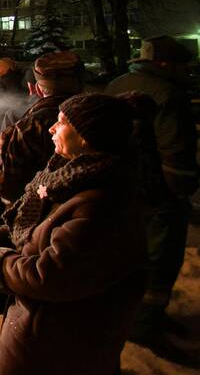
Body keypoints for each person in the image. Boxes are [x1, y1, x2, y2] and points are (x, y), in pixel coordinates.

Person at [0, 93, 148, 374]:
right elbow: (44, 229)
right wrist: (8, 235)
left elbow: (52, 275)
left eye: (62, 122)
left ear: (87, 137)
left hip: (62, 342)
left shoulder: (99, 205)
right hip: (42, 331)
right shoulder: (67, 177)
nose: (52, 128)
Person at [105, 36, 198, 356]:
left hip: (122, 187)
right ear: (165, 64)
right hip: (158, 193)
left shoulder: (118, 83)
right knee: (160, 258)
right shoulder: (168, 94)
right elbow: (175, 150)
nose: (186, 71)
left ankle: (133, 316)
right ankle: (146, 325)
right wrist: (183, 188)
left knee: (129, 254)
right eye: (182, 65)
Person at [0, 51, 84, 208]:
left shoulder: (27, 124)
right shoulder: (100, 113)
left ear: (38, 88)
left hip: (36, 209)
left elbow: (5, 182)